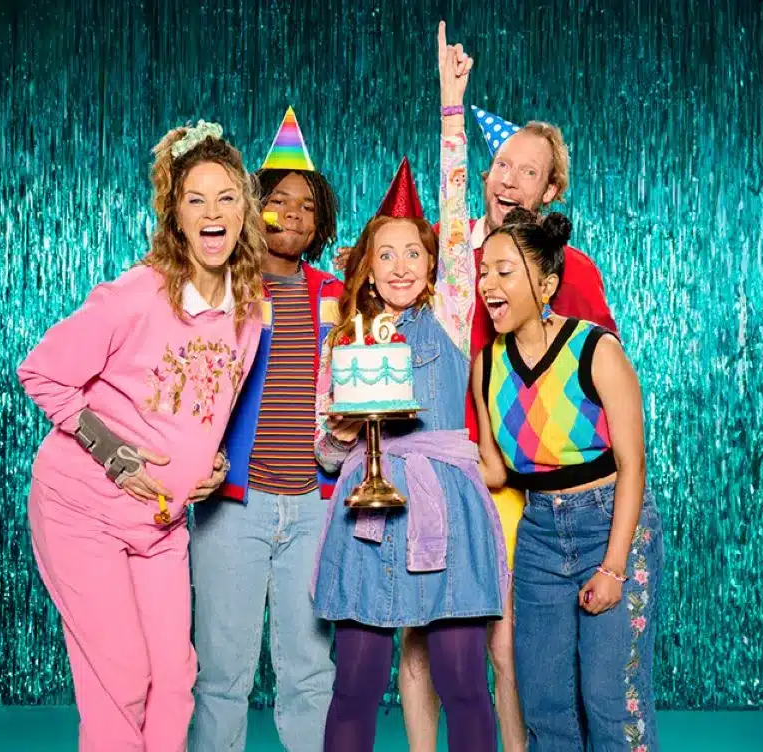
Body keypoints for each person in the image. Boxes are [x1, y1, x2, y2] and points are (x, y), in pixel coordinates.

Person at [395, 27, 619, 752]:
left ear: (551, 193)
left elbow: (599, 384)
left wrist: (608, 492)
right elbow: (391, 261)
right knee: (424, 634)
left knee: (509, 644)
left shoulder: (572, 272)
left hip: (517, 482)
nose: (507, 178)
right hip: (436, 460)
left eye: (527, 171)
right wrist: (450, 107)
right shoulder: (454, 252)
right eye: (502, 164)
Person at [16, 121, 264, 752]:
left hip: (161, 524)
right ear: (175, 215)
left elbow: (210, 409)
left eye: (226, 198)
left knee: (176, 678)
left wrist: (209, 464)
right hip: (82, 511)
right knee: (122, 676)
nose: (213, 213)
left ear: (244, 211)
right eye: (196, 200)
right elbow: (41, 372)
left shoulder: (249, 309)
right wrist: (115, 452)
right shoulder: (137, 294)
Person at [312, 40, 507, 752]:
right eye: (385, 253)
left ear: (434, 264)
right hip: (365, 513)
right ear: (366, 264)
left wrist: (449, 105)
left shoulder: (452, 312)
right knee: (355, 683)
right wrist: (336, 432)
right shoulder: (346, 337)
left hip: (444, 506)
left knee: (462, 681)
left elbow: (455, 212)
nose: (400, 265)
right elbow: (325, 455)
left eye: (414, 253)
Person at [473, 207, 663, 751]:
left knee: (610, 698)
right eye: (485, 271)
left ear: (547, 283)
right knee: (546, 702)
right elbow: (493, 467)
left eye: (504, 271)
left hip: (609, 520)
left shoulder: (596, 349)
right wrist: (411, 460)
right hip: (537, 534)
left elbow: (634, 465)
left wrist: (613, 566)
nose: (488, 283)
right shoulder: (486, 364)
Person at [189, 107, 342, 752]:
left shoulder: (336, 291)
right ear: (254, 210)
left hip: (312, 504)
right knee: (222, 674)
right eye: (278, 201)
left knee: (310, 670)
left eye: (307, 206)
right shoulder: (223, 285)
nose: (294, 215)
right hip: (234, 505)